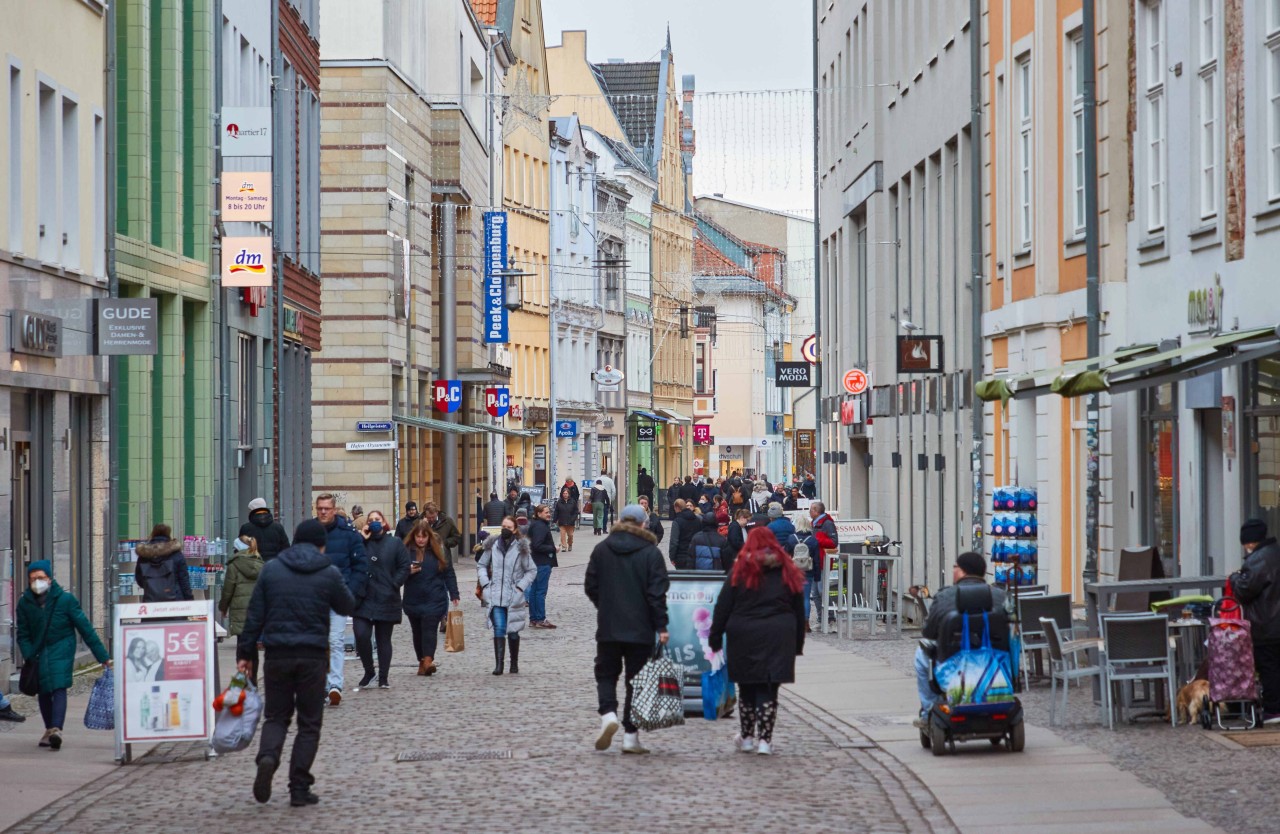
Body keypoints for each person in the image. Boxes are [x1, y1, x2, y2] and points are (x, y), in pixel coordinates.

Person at [238, 519, 356, 806]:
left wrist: (245, 655)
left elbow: (254, 617)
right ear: (321, 544)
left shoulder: (271, 569)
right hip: (312, 656)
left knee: (276, 717)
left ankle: (267, 757)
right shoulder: (328, 571)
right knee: (309, 723)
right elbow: (347, 605)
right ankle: (299, 788)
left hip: (277, 655)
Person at [709, 528, 805, 755]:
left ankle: (747, 737)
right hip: (778, 634)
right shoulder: (787, 571)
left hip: (744, 633)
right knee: (769, 688)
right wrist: (797, 644)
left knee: (747, 686)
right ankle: (765, 740)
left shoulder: (740, 570)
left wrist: (714, 638)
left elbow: (723, 607)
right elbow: (799, 611)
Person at [585, 504, 670, 755]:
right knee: (637, 681)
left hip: (609, 625)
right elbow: (657, 594)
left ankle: (608, 713)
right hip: (640, 628)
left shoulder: (602, 549)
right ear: (644, 524)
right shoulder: (651, 553)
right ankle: (631, 737)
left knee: (606, 673)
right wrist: (661, 625)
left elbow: (591, 584)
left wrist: (605, 605)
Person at [16, 560, 111, 751]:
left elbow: (86, 629)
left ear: (49, 579)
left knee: (59, 686)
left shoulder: (65, 600)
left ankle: (56, 729)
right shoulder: (24, 603)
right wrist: (28, 653)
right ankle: (49, 729)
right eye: (33, 578)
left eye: (41, 578)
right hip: (38, 651)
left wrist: (103, 658)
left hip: (62, 649)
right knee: (43, 689)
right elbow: (23, 634)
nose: (37, 582)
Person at [913, 552, 1006, 726]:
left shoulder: (944, 596)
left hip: (953, 665)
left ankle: (928, 711)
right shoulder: (1000, 597)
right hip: (994, 664)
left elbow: (929, 633)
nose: (953, 570)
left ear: (962, 571)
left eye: (955, 567)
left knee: (921, 655)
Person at [314, 493, 368, 706]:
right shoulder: (309, 532)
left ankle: (335, 684)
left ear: (334, 509)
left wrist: (350, 592)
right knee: (318, 642)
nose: (323, 512)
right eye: (320, 508)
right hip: (314, 597)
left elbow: (360, 565)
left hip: (337, 596)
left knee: (335, 640)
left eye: (327, 508)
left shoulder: (348, 534)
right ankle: (321, 684)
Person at [1229, 518, 1280, 722]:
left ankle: (1273, 710)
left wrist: (1234, 578)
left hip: (1266, 624)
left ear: (1250, 542)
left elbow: (1244, 590)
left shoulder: (1258, 560)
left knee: (1269, 667)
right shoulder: (1276, 552)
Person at [352, 510, 410, 689]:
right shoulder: (361, 543)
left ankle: (383, 676)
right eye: (371, 520)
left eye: (377, 519)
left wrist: (395, 583)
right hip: (363, 598)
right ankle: (369, 670)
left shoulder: (395, 543)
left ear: (384, 522)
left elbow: (404, 566)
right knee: (361, 634)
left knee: (383, 639)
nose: (374, 522)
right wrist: (361, 538)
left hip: (386, 597)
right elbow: (351, 560)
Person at [476, 517, 537, 675]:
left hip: (513, 595)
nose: (505, 529)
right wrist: (485, 584)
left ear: (515, 529)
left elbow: (531, 570)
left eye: (509, 527)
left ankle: (514, 662)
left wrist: (520, 587)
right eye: (503, 526)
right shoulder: (492, 545)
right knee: (499, 628)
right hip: (495, 594)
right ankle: (499, 664)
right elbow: (482, 565)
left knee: (513, 632)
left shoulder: (520, 548)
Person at [402, 519, 460, 676]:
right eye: (418, 536)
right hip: (413, 598)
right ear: (414, 536)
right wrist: (407, 571)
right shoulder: (406, 551)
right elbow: (397, 574)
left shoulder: (437, 551)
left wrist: (454, 593)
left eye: (424, 536)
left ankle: (428, 660)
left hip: (434, 598)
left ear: (429, 537)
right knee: (417, 632)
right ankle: (422, 661)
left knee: (429, 630)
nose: (421, 539)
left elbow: (448, 572)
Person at [134, 523, 193, 602]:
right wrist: (189, 599)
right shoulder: (176, 554)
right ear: (168, 534)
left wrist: (153, 588)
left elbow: (139, 580)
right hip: (176, 603)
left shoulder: (144, 556)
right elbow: (184, 581)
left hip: (151, 601)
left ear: (153, 533)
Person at [526, 502, 560, 629]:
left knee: (534, 591)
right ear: (538, 514)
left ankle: (534, 619)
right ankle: (540, 618)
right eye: (546, 512)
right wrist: (553, 548)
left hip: (535, 562)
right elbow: (537, 545)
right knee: (540, 592)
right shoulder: (540, 526)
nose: (549, 514)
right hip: (542, 562)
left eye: (549, 512)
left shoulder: (536, 525)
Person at [422, 502, 462, 567]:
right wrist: (423, 525)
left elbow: (456, 537)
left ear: (437, 512)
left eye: (433, 517)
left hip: (443, 557)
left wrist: (445, 542)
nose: (431, 519)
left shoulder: (447, 521)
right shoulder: (418, 522)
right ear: (425, 515)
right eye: (429, 517)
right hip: (425, 558)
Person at [668, 498, 700, 569]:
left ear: (677, 508)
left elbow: (674, 541)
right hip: (695, 555)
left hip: (681, 556)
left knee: (681, 578)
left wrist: (672, 557)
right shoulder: (697, 520)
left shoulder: (677, 521)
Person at [723, 508, 752, 573]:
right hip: (732, 556)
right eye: (747, 520)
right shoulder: (734, 526)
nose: (748, 522)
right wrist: (747, 547)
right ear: (742, 518)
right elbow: (735, 542)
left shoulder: (743, 527)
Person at [554, 487, 580, 552]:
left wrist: (573, 518)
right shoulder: (559, 502)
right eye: (564, 493)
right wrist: (555, 519)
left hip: (570, 522)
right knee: (562, 534)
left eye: (566, 493)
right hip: (562, 521)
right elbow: (556, 511)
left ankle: (570, 544)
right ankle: (564, 547)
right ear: (562, 494)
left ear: (569, 494)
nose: (565, 494)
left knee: (570, 535)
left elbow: (576, 511)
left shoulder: (572, 501)